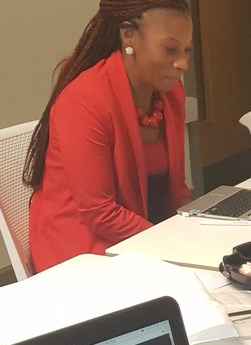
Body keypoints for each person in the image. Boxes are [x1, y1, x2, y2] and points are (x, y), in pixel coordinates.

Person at [25, 0, 193, 273]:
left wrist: (205, 225)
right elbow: (100, 214)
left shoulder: (171, 94)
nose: (182, 63)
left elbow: (176, 188)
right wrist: (172, 246)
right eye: (171, 49)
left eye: (187, 50)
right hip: (82, 255)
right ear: (129, 37)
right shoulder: (85, 101)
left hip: (142, 237)